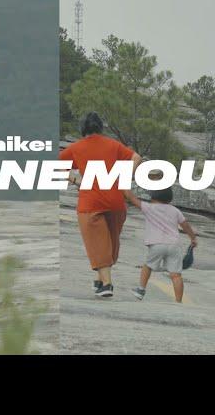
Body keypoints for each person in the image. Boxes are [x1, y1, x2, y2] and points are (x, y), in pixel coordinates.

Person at [59, 112, 142, 298]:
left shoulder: (76, 148)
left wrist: (75, 180)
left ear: (83, 129)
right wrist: (124, 177)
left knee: (97, 243)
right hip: (116, 202)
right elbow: (136, 157)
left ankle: (106, 284)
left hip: (91, 202)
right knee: (109, 244)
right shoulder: (113, 145)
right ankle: (99, 279)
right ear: (100, 127)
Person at [123, 188, 197, 303]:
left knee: (148, 266)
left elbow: (132, 198)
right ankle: (178, 301)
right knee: (176, 275)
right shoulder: (175, 210)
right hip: (174, 245)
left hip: (157, 245)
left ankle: (141, 290)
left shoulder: (149, 207)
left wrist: (123, 184)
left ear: (153, 197)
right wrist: (193, 238)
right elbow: (185, 225)